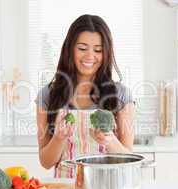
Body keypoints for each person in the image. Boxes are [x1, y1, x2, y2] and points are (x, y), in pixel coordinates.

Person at [36, 14, 135, 178]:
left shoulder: (121, 95)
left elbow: (129, 160)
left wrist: (109, 141)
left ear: (106, 53)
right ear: (70, 49)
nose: (90, 56)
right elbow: (46, 162)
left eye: (98, 50)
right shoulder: (48, 95)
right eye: (82, 48)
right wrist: (58, 139)